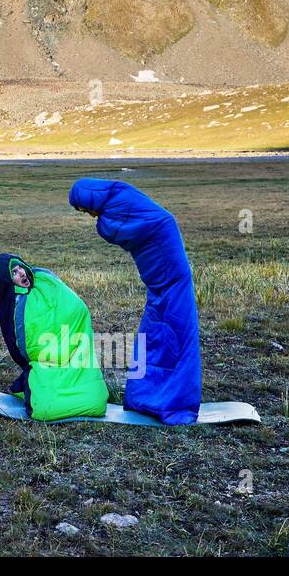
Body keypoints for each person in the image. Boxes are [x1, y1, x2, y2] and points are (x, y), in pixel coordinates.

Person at [68, 179, 202, 425]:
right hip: (158, 281)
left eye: (86, 208)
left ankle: (173, 400)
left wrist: (103, 225)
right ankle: (147, 396)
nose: (89, 214)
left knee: (177, 330)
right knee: (155, 330)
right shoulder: (119, 196)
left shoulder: (116, 208)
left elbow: (118, 231)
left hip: (170, 275)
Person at [0, 253, 108, 420]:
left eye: (20, 267)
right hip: (46, 362)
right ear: (7, 282)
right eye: (14, 273)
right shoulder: (15, 307)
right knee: (49, 406)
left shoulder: (45, 284)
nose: (22, 273)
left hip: (75, 355)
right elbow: (28, 348)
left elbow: (77, 309)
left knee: (50, 406)